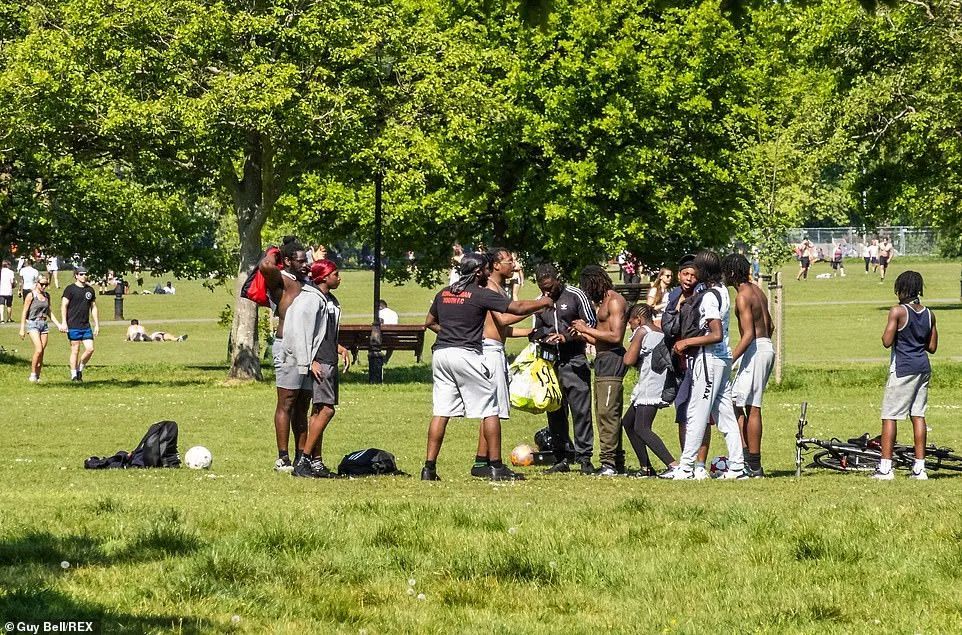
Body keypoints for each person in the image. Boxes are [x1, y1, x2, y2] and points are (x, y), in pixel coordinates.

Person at [421, 253, 555, 481]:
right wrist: (543, 302)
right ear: (477, 272)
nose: (487, 273)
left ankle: (428, 469)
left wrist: (450, 333)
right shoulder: (480, 293)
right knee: (490, 409)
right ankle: (496, 466)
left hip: (441, 354)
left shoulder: (443, 293)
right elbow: (517, 308)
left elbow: (429, 322)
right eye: (484, 269)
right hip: (466, 354)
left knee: (441, 411)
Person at [662, 250, 745, 480]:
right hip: (723, 359)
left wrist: (686, 342)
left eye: (697, 268)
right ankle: (738, 466)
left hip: (710, 359)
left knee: (696, 412)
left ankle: (686, 466)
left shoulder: (709, 296)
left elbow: (715, 334)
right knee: (725, 415)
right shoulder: (722, 291)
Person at [469, 249, 535, 477]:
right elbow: (504, 318)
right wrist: (537, 306)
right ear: (496, 265)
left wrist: (530, 333)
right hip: (490, 351)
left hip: (495, 347)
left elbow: (503, 329)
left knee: (489, 410)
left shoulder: (498, 288)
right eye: (509, 261)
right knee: (492, 410)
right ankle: (493, 464)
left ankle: (481, 463)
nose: (513, 265)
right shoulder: (490, 288)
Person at [530, 263, 597, 475]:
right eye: (543, 289)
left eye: (550, 287)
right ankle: (561, 456)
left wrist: (567, 337)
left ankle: (585, 457)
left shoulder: (576, 295)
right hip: (550, 364)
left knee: (581, 411)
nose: (547, 292)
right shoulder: (540, 301)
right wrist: (543, 337)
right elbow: (536, 330)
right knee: (555, 410)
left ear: (558, 279)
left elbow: (591, 323)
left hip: (574, 360)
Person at [290, 259, 352, 478]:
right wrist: (309, 361)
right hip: (320, 362)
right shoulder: (311, 299)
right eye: (335, 274)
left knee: (318, 411)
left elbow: (322, 333)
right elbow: (301, 332)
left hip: (328, 358)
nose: (339, 278)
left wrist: (338, 347)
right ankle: (304, 460)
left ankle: (316, 463)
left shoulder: (329, 300)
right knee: (326, 410)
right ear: (324, 277)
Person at [873, 271, 938, 480]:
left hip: (903, 368)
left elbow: (886, 341)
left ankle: (885, 468)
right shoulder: (929, 314)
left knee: (890, 415)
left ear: (902, 289)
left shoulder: (898, 311)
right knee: (918, 415)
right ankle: (920, 468)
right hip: (923, 367)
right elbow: (932, 347)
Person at [259, 236, 313, 472]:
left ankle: (302, 456)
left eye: (306, 260)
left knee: (303, 404)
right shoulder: (281, 279)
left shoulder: (306, 281)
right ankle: (283, 457)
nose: (305, 264)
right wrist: (274, 252)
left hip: (308, 348)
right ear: (288, 261)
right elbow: (265, 266)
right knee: (287, 401)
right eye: (300, 261)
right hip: (288, 347)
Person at [571, 265, 628, 476]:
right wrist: (581, 334)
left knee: (607, 412)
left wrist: (586, 328)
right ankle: (616, 460)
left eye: (587, 287)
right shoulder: (603, 302)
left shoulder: (615, 301)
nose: (587, 293)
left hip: (613, 359)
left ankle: (609, 463)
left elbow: (615, 337)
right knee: (603, 411)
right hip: (602, 359)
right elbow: (601, 339)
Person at [722, 253, 774, 478]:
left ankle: (753, 464)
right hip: (764, 347)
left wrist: (728, 361)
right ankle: (746, 457)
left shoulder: (742, 296)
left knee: (752, 406)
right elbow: (770, 326)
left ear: (732, 273)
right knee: (735, 402)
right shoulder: (758, 291)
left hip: (755, 349)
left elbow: (748, 335)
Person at [661, 255, 711, 470]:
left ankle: (700, 464)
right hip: (679, 363)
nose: (689, 279)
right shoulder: (674, 296)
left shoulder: (704, 297)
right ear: (679, 274)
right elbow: (668, 328)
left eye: (693, 275)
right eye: (685, 274)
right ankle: (686, 463)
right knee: (682, 412)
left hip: (699, 360)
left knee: (702, 415)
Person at [621, 303, 677, 477]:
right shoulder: (659, 331)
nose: (630, 327)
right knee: (628, 422)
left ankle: (673, 465)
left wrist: (625, 351)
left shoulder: (642, 331)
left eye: (631, 323)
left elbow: (628, 360)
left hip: (650, 385)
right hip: (657, 381)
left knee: (642, 428)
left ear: (638, 319)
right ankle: (645, 468)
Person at [19, 275, 62, 382]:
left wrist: (58, 325)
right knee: (38, 349)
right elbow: (24, 311)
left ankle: (38, 376)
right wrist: (22, 329)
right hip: (33, 323)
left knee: (42, 351)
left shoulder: (47, 295)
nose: (43, 286)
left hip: (44, 324)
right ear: (37, 283)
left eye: (46, 284)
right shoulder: (31, 295)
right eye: (41, 284)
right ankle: (33, 374)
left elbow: (49, 312)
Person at [60, 267, 99, 382]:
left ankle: (79, 369)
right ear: (76, 275)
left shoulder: (90, 290)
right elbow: (64, 305)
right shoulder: (70, 289)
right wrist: (64, 322)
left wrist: (97, 324)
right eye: (81, 274)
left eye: (85, 274)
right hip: (73, 324)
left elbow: (93, 307)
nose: (84, 276)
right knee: (75, 350)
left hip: (85, 325)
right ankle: (73, 375)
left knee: (90, 349)